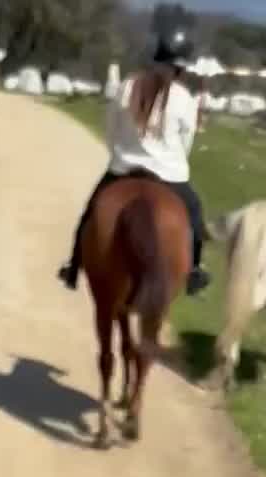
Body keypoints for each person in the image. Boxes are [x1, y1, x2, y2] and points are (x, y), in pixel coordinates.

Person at [58, 30, 209, 298]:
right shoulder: (184, 98)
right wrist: (171, 161)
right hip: (169, 175)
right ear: (181, 68)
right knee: (195, 213)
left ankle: (73, 265)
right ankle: (195, 271)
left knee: (91, 211)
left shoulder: (127, 86)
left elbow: (110, 129)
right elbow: (186, 143)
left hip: (124, 169)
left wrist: (122, 153)